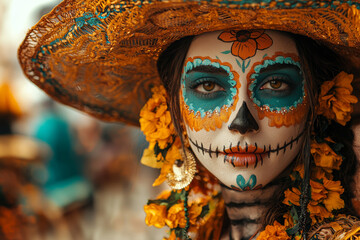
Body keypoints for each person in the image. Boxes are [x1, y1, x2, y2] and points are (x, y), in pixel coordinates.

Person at [18, 1, 360, 239]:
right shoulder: (203, 232)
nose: (242, 120)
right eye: (208, 85)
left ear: (318, 101)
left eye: (275, 84)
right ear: (173, 111)